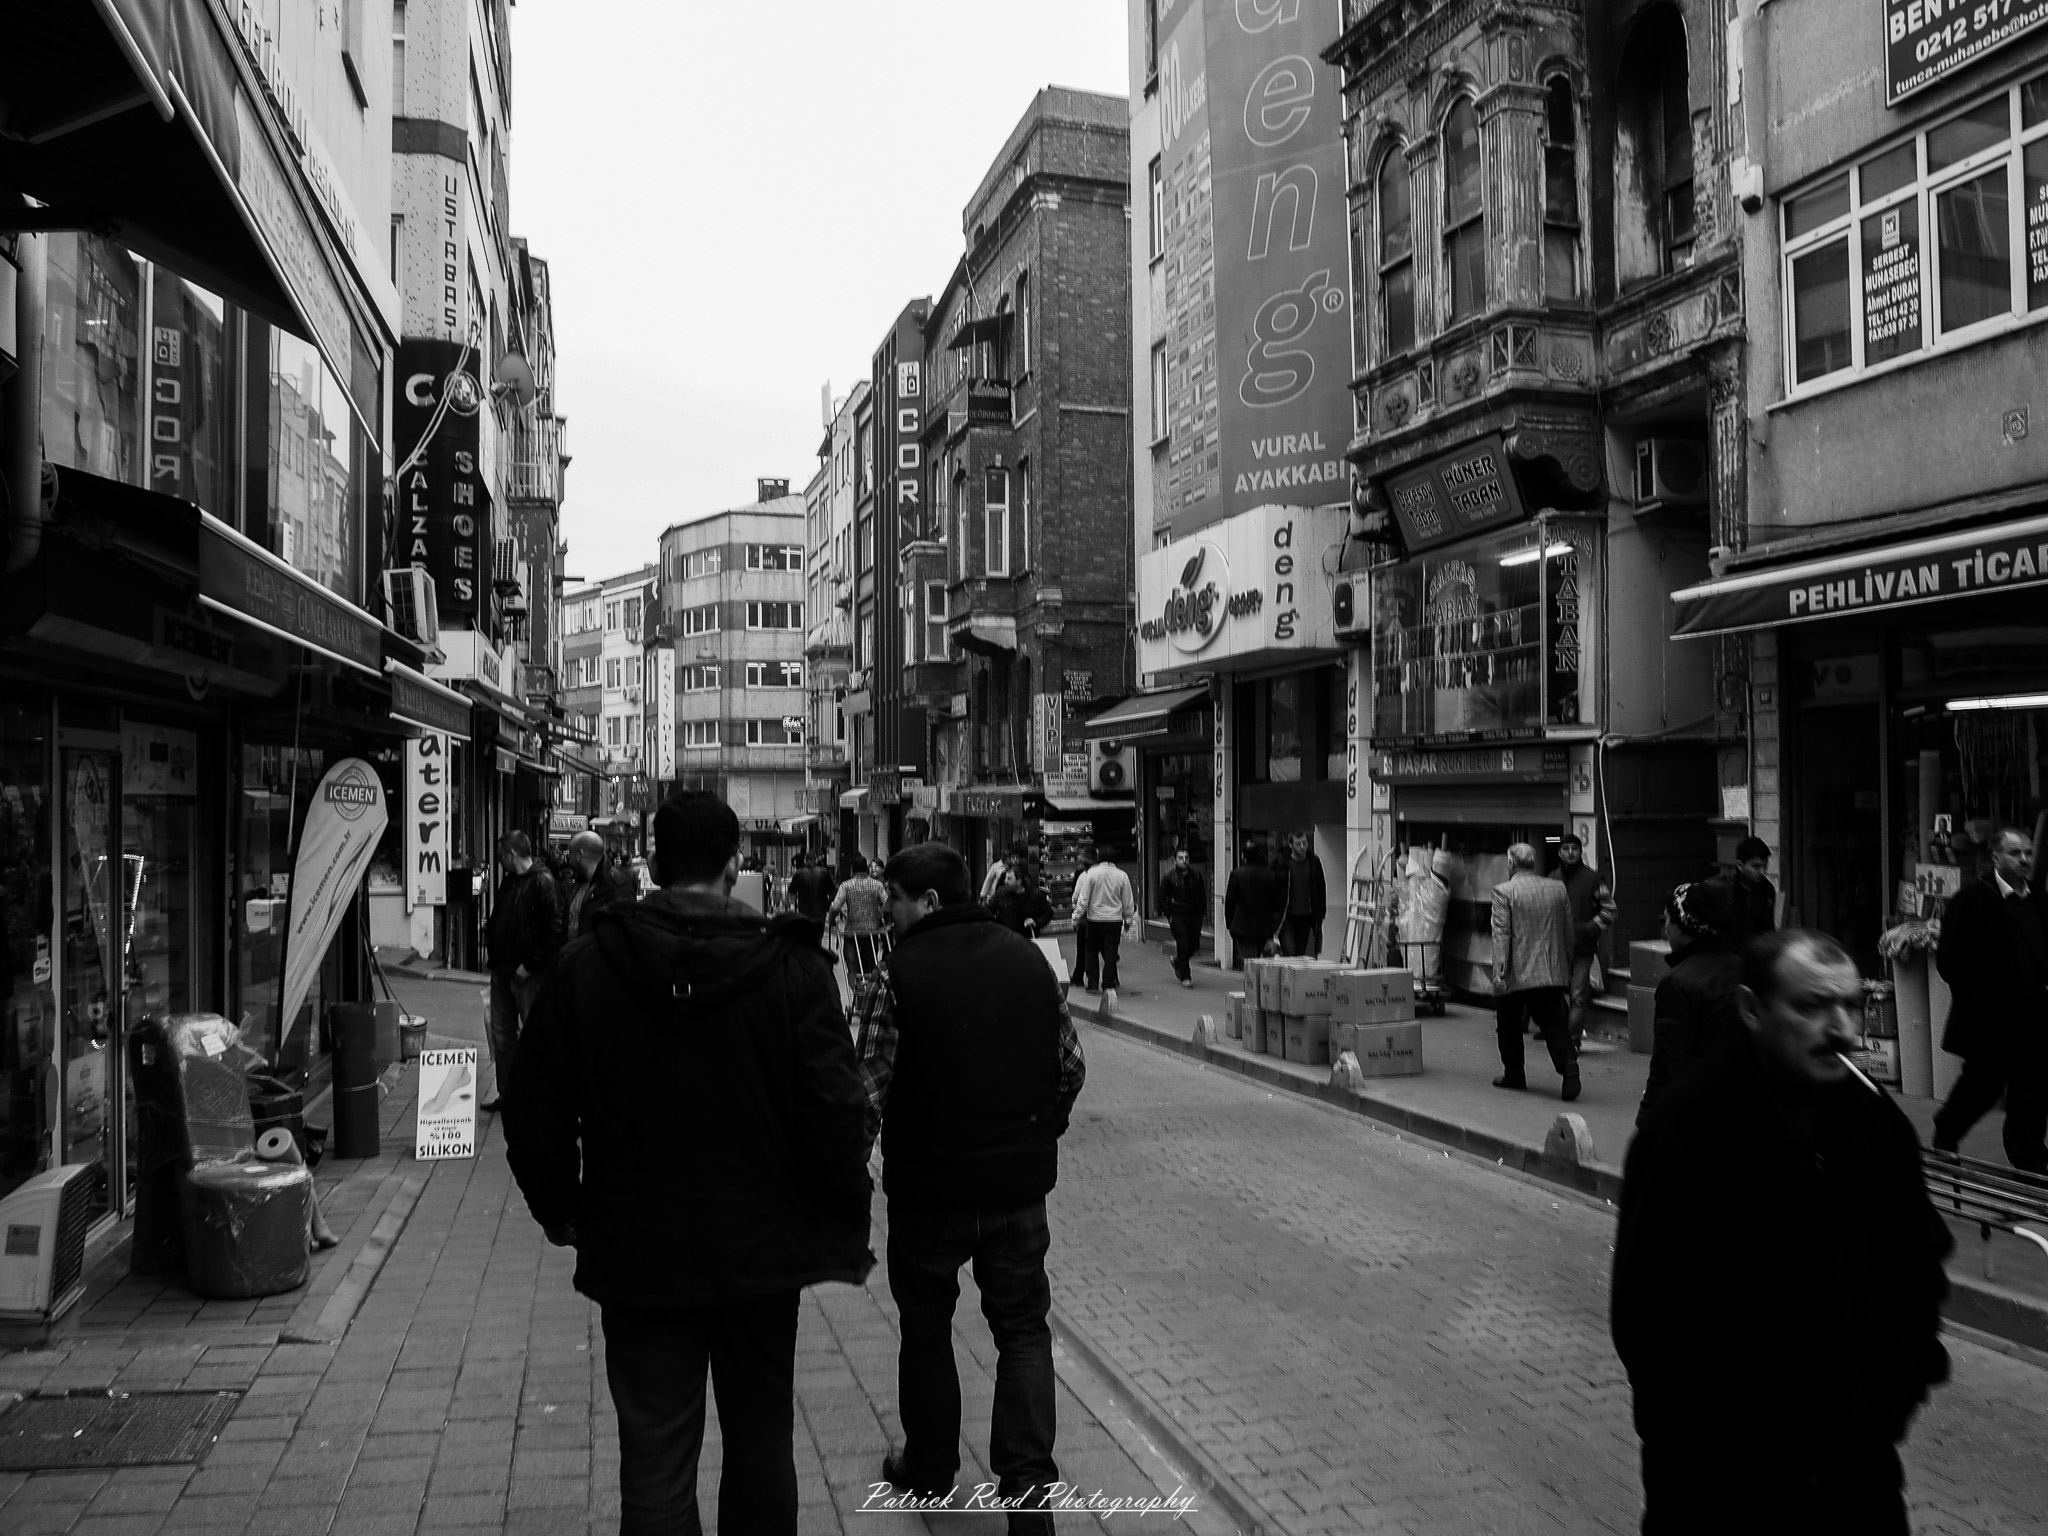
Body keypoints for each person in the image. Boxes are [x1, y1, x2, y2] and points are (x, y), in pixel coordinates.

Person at [505, 792, 873, 1535]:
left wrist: (563, 1210)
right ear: (734, 864)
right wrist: (832, 1207)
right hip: (760, 1253)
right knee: (762, 1441)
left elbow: (533, 1108)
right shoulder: (794, 969)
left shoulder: (587, 969)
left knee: (655, 1460)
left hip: (639, 1247)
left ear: (654, 864)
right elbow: (841, 1115)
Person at [1612, 928, 1953, 1535]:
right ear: (1751, 1009)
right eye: (1811, 1007)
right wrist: (1721, 1435)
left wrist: (1893, 1391)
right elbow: (1653, 1319)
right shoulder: (1687, 1130)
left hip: (1856, 1477)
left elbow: (1918, 1263)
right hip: (1723, 1490)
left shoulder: (1874, 1122)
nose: (1844, 1028)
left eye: (1851, 1005)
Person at [856, 842, 1085, 1534]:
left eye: (893, 899)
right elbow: (1070, 1068)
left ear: (928, 901)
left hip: (929, 1189)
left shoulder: (892, 977)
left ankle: (929, 1469)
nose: (887, 913)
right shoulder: (1028, 963)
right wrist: (1035, 1130)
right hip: (1017, 1188)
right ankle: (1028, 1495)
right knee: (1021, 1330)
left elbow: (863, 1094)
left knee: (926, 1327)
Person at [1932, 825, 2048, 1172]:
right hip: (1990, 1021)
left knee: (2032, 1091)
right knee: (1982, 1087)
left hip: (2036, 1018)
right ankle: (1946, 1130)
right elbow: (1950, 961)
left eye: (2028, 852)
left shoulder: (2039, 900)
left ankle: (2029, 1158)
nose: (2024, 859)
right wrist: (1985, 999)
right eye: (2016, 853)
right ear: (1995, 857)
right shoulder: (1972, 899)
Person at [1635, 880, 1744, 1127]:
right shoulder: (1746, 969)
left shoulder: (1678, 983)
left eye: (1667, 921)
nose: (1665, 930)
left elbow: (1668, 1063)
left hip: (1698, 1114)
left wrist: (1648, 1120)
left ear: (1684, 926)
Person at [1489, 842, 1578, 1101]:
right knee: (1554, 1022)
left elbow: (1501, 935)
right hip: (1550, 971)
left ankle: (1515, 1074)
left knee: (1509, 1025)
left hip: (1516, 973)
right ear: (1533, 863)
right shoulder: (1557, 889)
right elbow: (1568, 933)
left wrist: (1499, 973)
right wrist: (1567, 965)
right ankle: (1569, 1067)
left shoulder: (1503, 891)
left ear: (1510, 864)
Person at [483, 831, 563, 1113]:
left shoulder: (542, 882)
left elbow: (554, 930)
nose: (500, 860)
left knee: (531, 1035)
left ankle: (535, 1096)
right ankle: (509, 1094)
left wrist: (529, 965)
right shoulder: (511, 881)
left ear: (512, 854)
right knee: (502, 1035)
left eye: (502, 855)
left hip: (526, 974)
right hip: (503, 970)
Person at [1551, 832, 1616, 1043]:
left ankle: (1573, 1040)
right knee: (1555, 994)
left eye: (1575, 849)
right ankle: (1558, 1033)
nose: (1570, 853)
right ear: (1559, 852)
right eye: (1565, 849)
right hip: (1557, 948)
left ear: (1580, 851)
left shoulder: (1593, 879)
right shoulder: (1552, 878)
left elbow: (1609, 911)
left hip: (1582, 948)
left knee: (1578, 997)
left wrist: (1588, 928)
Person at [1069, 845, 1135, 1013]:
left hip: (1094, 919)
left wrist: (1076, 918)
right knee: (1111, 951)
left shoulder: (1091, 874)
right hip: (1114, 919)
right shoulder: (1122, 876)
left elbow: (1083, 899)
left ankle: (1092, 982)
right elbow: (1128, 901)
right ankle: (1108, 983)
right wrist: (1128, 920)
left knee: (1090, 950)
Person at [1223, 839, 1286, 969]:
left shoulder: (1237, 874)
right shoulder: (1270, 875)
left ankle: (1251, 986)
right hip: (1264, 925)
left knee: (1249, 961)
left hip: (1242, 924)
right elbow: (1279, 902)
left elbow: (1230, 900)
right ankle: (1257, 986)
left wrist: (1230, 923)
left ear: (1243, 856)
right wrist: (1273, 923)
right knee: (1258, 959)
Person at [563, 829, 636, 940]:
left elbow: (625, 932)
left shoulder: (617, 884)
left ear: (579, 855)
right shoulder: (578, 884)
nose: (569, 859)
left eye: (571, 854)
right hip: (575, 954)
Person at [830, 858, 891, 980]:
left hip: (852, 933)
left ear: (852, 869)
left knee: (853, 969)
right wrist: (882, 918)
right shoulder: (877, 885)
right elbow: (888, 904)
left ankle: (857, 994)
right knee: (868, 968)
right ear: (867, 869)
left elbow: (835, 906)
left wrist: (831, 919)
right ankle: (867, 993)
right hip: (871, 932)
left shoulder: (846, 885)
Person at [1274, 831, 1327, 957]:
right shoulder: (1281, 863)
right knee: (1290, 952)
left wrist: (1320, 913)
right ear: (1291, 845)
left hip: (1307, 917)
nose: (1302, 847)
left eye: (1304, 843)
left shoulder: (1313, 862)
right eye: (1298, 844)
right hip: (1286, 917)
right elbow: (1272, 890)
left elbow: (1320, 888)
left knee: (1302, 954)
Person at [1159, 849, 1207, 989]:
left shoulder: (1196, 876)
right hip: (1177, 914)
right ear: (1175, 860)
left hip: (1193, 914)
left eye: (1186, 857)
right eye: (1181, 858)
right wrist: (1170, 916)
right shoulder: (1169, 877)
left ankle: (1178, 961)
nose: (1184, 860)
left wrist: (1201, 913)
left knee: (1194, 945)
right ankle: (1186, 976)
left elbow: (1202, 895)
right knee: (1183, 943)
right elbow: (1162, 898)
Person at [1724, 834, 1778, 941]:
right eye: (1756, 866)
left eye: (1765, 866)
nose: (1762, 872)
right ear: (1740, 865)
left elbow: (1768, 928)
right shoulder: (1726, 889)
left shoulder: (1766, 889)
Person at [986, 855, 1052, 938]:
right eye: (1006, 878)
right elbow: (988, 911)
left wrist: (1036, 922)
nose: (1005, 881)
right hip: (1006, 939)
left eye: (1009, 879)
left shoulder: (1034, 895)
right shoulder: (1000, 894)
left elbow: (1048, 913)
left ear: (1019, 881)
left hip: (1027, 940)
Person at [786, 852, 838, 923]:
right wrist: (828, 904)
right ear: (816, 860)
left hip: (804, 910)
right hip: (820, 910)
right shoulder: (825, 873)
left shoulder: (798, 873)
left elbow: (791, 891)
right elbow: (832, 891)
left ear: (805, 861)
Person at [979, 839, 1030, 905]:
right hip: (997, 896)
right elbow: (988, 880)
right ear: (1007, 858)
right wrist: (983, 895)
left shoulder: (1019, 868)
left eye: (1017, 857)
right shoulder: (996, 866)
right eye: (1012, 857)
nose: (1015, 860)